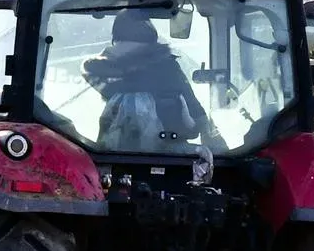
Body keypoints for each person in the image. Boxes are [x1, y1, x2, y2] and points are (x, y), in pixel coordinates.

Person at [82, 10, 215, 149]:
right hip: (168, 151)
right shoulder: (167, 68)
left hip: (112, 152)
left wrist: (112, 57)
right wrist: (202, 132)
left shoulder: (102, 72)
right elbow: (195, 115)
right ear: (150, 37)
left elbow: (88, 69)